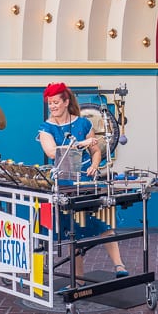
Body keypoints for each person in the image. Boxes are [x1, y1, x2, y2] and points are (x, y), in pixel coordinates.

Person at [38, 82, 129, 287]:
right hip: (64, 184)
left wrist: (95, 166)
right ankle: (78, 278)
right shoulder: (46, 128)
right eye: (50, 103)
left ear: (66, 102)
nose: (52, 106)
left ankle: (119, 266)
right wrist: (81, 144)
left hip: (86, 182)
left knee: (105, 224)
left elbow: (96, 151)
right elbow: (53, 152)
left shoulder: (83, 124)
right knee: (74, 232)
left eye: (55, 102)